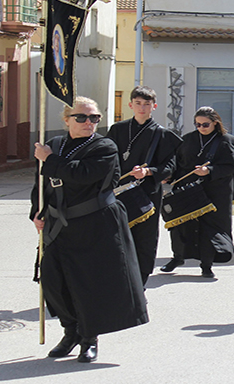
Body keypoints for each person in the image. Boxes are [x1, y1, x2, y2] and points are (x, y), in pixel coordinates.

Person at [30, 97, 148, 363]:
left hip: (96, 223)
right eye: (81, 118)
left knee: (90, 286)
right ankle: (70, 331)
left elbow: (82, 174)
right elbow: (42, 185)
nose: (88, 123)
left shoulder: (104, 146)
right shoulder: (55, 146)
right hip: (59, 225)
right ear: (67, 120)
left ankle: (88, 338)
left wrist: (49, 160)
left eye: (94, 118)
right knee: (54, 281)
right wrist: (37, 213)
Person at [107, 86, 181, 285]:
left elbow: (170, 166)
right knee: (117, 239)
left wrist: (149, 172)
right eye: (138, 103)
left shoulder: (162, 134)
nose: (142, 108)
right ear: (130, 105)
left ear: (154, 106)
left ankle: (140, 283)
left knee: (144, 240)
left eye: (146, 104)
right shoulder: (117, 130)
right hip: (117, 193)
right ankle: (119, 283)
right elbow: (106, 159)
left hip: (147, 194)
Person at [164, 107, 234, 278]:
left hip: (215, 191)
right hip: (187, 189)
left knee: (209, 228)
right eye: (198, 124)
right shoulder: (187, 139)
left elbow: (231, 165)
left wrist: (210, 170)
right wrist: (169, 176)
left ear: (215, 123)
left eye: (205, 124)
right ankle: (177, 257)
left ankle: (206, 264)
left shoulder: (227, 141)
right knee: (180, 225)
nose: (201, 128)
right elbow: (177, 162)